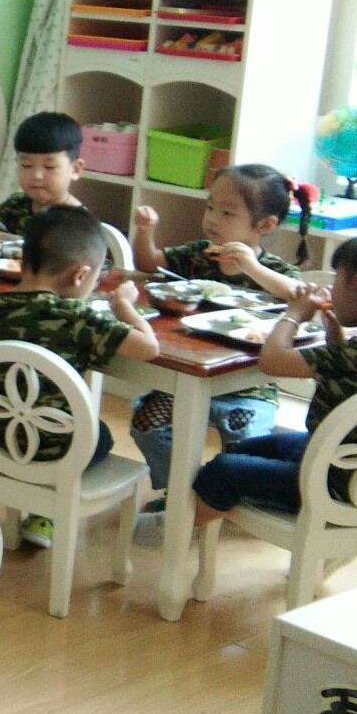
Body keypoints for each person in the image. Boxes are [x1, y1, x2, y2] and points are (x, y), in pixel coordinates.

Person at [190, 227, 357, 524]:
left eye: (337, 280)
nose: (332, 288)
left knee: (223, 470)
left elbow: (273, 361)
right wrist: (336, 338)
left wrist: (294, 314)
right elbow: (353, 381)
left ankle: (179, 529)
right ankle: (212, 511)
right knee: (248, 448)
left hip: (332, 487)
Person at [0, 206, 159, 547]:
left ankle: (32, 510)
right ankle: (47, 513)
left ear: (23, 261)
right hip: (53, 452)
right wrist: (125, 307)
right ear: (79, 275)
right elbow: (149, 348)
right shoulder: (79, 318)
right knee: (99, 433)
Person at [128, 165, 313, 532]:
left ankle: (222, 498)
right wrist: (145, 231)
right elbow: (148, 264)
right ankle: (182, 493)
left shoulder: (275, 270)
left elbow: (299, 297)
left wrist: (252, 267)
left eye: (227, 213)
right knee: (147, 422)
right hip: (190, 376)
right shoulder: (201, 254)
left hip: (248, 388)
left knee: (246, 442)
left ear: (264, 225)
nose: (212, 219)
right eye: (210, 207)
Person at [0, 110, 90, 234]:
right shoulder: (15, 204)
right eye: (26, 165)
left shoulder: (81, 223)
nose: (36, 175)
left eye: (49, 166)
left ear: (75, 169)